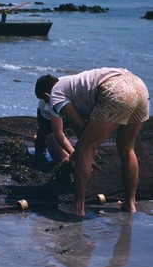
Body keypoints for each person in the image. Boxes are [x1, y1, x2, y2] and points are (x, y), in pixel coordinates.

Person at [35, 68, 149, 217]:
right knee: (127, 149)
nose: (48, 105)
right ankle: (130, 203)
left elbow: (80, 128)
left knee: (84, 149)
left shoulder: (56, 93)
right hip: (139, 86)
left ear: (46, 95)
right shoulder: (70, 82)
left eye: (45, 101)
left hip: (116, 89)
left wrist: (80, 154)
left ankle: (78, 206)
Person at [35, 97, 74, 163]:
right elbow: (58, 133)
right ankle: (42, 138)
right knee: (62, 159)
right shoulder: (49, 105)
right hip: (48, 118)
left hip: (67, 114)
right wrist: (74, 154)